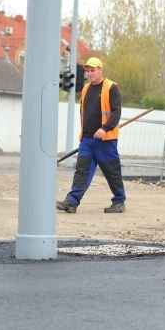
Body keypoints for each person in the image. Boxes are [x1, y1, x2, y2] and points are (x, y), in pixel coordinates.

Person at [57, 57, 126, 214]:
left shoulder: (111, 88)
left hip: (105, 140)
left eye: (93, 70)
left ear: (101, 70)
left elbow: (116, 112)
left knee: (111, 172)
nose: (90, 73)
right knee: (82, 171)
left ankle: (119, 201)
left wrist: (105, 128)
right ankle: (71, 202)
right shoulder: (86, 89)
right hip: (87, 139)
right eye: (87, 71)